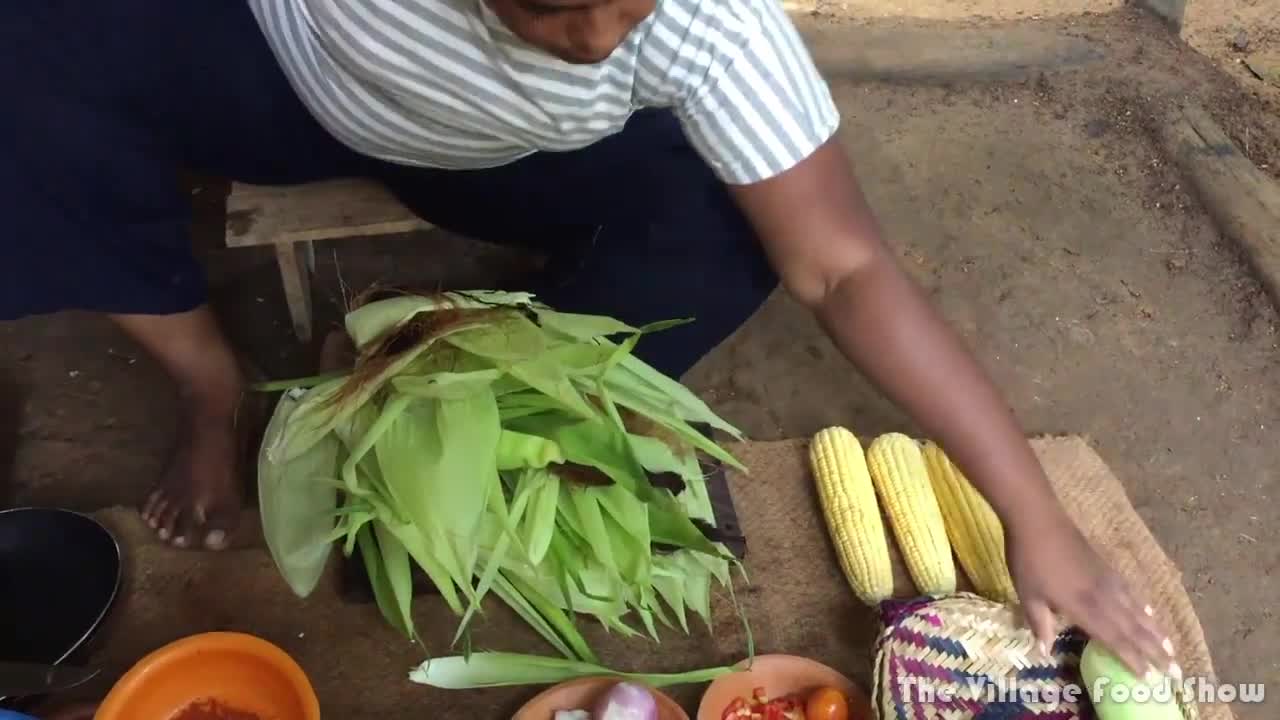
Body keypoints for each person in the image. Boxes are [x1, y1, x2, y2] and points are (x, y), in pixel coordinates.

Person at [3, 0, 1175, 679]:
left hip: (515, 155)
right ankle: (211, 388)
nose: (591, 37)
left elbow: (845, 263)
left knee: (737, 227)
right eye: (549, 1)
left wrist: (1033, 514)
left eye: (628, 2)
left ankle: (459, 389)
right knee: (30, 51)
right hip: (285, 81)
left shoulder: (701, 25)